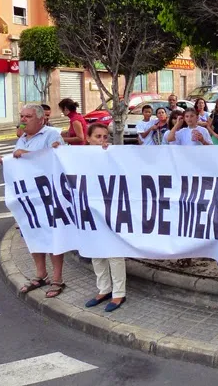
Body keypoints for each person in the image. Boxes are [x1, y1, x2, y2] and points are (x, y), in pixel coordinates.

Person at [0, 105, 64, 298]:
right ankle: (41, 274)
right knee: (32, 234)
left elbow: (57, 157)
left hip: (49, 197)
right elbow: (18, 164)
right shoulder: (22, 138)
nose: (23, 119)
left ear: (41, 119)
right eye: (22, 116)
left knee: (52, 236)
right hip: (29, 199)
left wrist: (24, 155)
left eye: (28, 116)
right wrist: (4, 160)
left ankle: (58, 278)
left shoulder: (51, 135)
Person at [83, 123, 127, 312]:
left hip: (110, 209)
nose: (102, 140)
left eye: (105, 137)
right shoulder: (79, 157)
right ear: (88, 139)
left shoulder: (113, 155)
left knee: (114, 252)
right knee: (96, 252)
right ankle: (104, 289)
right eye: (97, 137)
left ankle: (119, 293)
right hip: (90, 209)